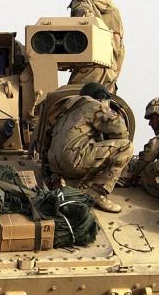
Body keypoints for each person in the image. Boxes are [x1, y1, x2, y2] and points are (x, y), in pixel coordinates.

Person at [46, 82, 134, 213]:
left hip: (57, 166)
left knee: (91, 147)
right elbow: (120, 129)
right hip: (75, 159)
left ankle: (73, 185)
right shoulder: (92, 104)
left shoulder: (65, 113)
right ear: (102, 98)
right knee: (126, 147)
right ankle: (98, 193)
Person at [67, 0, 124, 93]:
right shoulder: (113, 9)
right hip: (110, 73)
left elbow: (82, 27)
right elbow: (120, 49)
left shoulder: (82, 1)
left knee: (66, 105)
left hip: (88, 72)